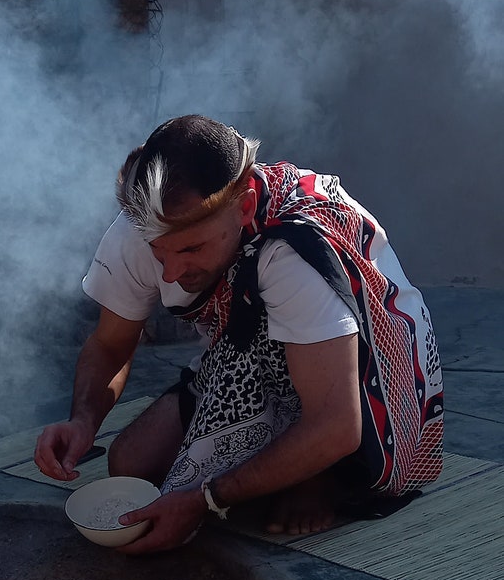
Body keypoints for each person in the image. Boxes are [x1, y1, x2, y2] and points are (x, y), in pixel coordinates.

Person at [34, 116, 444, 554]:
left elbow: (338, 425)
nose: (171, 272)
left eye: (191, 249)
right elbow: (110, 344)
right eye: (160, 253)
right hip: (244, 349)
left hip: (367, 371)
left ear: (244, 207)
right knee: (131, 464)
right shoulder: (143, 225)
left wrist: (204, 501)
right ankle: (278, 466)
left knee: (310, 447)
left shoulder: (295, 253)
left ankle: (323, 475)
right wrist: (83, 420)